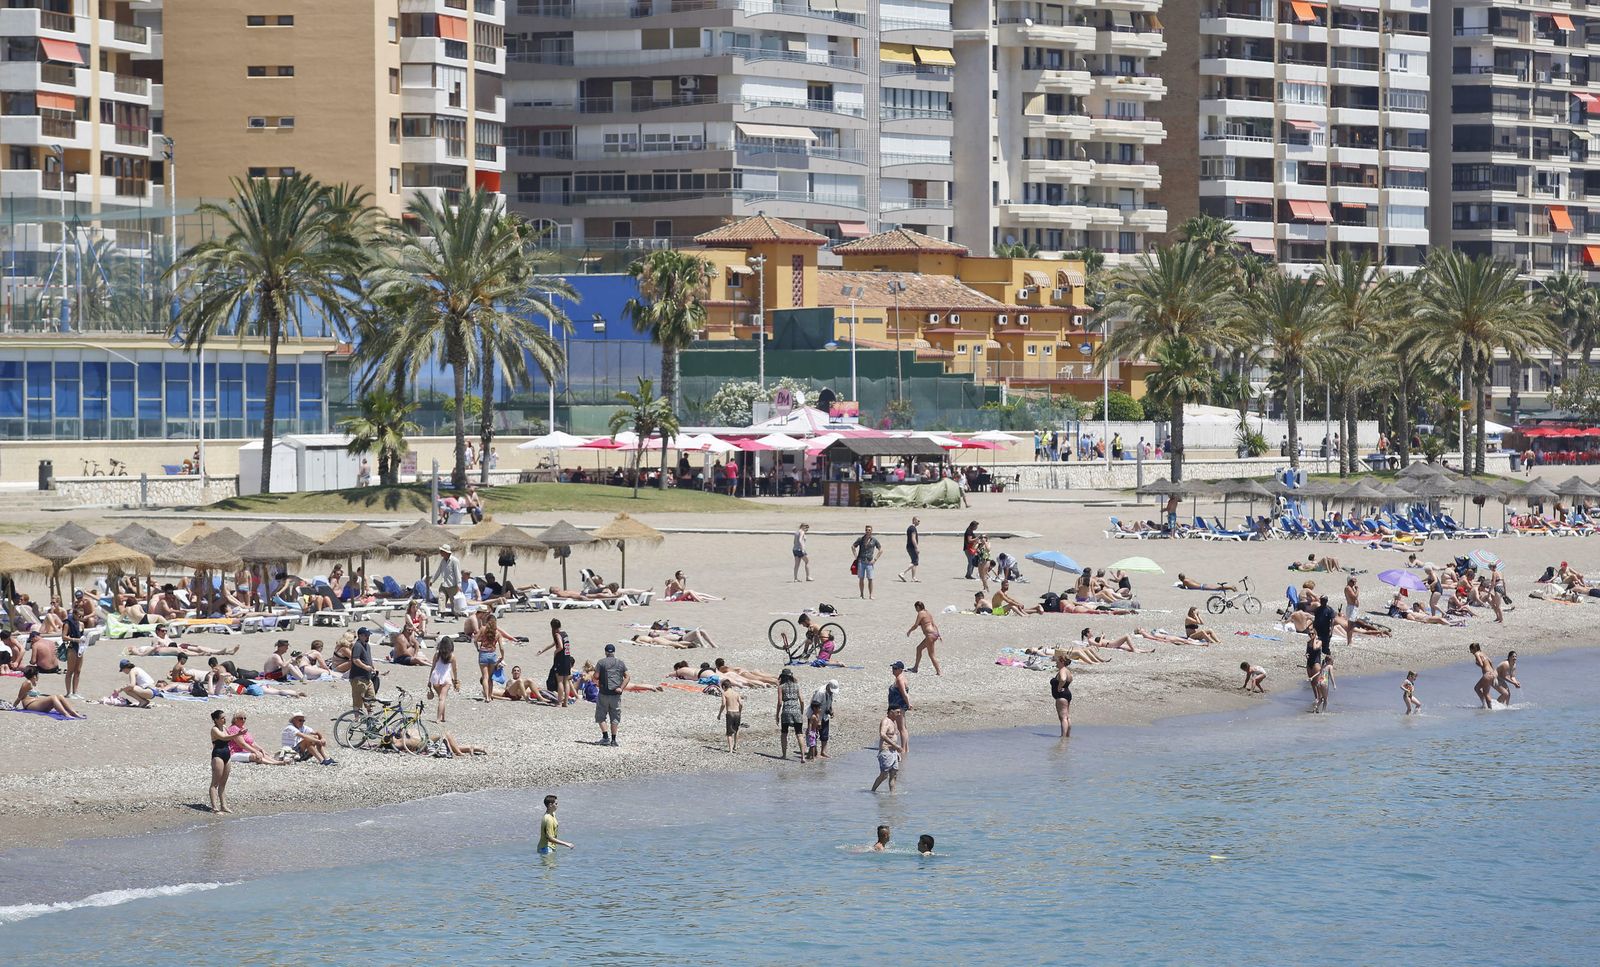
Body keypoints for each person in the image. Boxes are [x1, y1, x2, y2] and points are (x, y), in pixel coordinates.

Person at [13, 666, 85, 718]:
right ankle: (66, 714)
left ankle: (73, 712)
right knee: (53, 697)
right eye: (38, 675)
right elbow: (19, 697)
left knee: (59, 696)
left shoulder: (32, 682)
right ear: (34, 676)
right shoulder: (27, 683)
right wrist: (13, 707)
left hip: (36, 703)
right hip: (30, 705)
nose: (38, 676)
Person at [594, 644, 628, 746]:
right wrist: (621, 688)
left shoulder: (601, 662)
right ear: (614, 652)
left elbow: (596, 676)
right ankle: (613, 740)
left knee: (601, 716)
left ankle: (605, 738)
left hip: (604, 693)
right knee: (615, 717)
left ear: (605, 652)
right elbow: (627, 677)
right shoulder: (620, 663)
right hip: (616, 694)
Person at [537, 618, 577, 707]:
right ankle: (565, 703)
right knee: (566, 681)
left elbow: (560, 646)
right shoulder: (564, 633)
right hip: (567, 659)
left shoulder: (557, 634)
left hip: (561, 659)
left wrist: (555, 652)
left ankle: (559, 702)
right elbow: (554, 644)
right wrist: (543, 650)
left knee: (560, 681)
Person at [871, 707, 904, 793]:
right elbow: (882, 734)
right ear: (891, 712)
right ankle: (872, 791)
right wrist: (895, 745)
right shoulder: (885, 721)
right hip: (886, 751)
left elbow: (893, 736)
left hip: (893, 752)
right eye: (897, 712)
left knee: (894, 774)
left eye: (900, 712)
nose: (899, 714)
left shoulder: (894, 722)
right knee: (884, 775)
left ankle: (892, 796)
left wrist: (896, 750)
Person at [428, 635, 460, 723]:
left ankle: (443, 717)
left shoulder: (437, 655)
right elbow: (455, 669)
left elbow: (433, 667)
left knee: (441, 698)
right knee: (442, 698)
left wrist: (429, 680)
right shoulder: (452, 656)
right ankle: (438, 718)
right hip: (445, 678)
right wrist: (456, 680)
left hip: (435, 677)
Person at [475, 613, 506, 703]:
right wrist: (502, 657)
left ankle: (487, 697)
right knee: (490, 677)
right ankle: (490, 695)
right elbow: (501, 647)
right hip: (492, 654)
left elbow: (475, 640)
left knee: (485, 676)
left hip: (483, 654)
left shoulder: (483, 629)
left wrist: (477, 647)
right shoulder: (498, 633)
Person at [208, 709, 234, 813]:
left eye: (224, 717)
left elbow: (229, 738)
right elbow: (224, 737)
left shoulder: (224, 727)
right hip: (218, 755)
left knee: (223, 783)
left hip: (227, 754)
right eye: (222, 718)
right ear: (216, 720)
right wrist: (237, 735)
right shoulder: (214, 729)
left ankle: (224, 805)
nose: (224, 719)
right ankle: (215, 807)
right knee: (215, 783)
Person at [776, 668, 805, 761]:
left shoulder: (781, 687)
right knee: (799, 734)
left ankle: (784, 755)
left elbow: (780, 702)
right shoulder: (797, 686)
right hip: (796, 710)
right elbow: (802, 700)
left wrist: (777, 714)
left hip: (786, 712)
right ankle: (803, 757)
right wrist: (801, 711)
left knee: (784, 733)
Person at [905, 601, 942, 675]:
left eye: (915, 608)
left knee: (931, 654)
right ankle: (915, 668)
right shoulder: (927, 613)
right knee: (919, 648)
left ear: (918, 607)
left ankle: (939, 672)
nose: (916, 610)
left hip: (930, 635)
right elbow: (933, 624)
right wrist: (939, 635)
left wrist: (909, 631)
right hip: (934, 633)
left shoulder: (921, 613)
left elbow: (916, 625)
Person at [347, 627, 378, 710]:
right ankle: (357, 720)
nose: (368, 637)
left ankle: (370, 719)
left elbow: (369, 658)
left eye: (368, 635)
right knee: (358, 701)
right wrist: (366, 667)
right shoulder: (357, 645)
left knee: (371, 699)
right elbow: (355, 659)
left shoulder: (367, 646)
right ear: (360, 636)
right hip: (358, 678)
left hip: (368, 678)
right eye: (366, 635)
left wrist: (373, 668)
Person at [888, 660, 912, 755]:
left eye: (895, 668)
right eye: (892, 668)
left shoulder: (900, 679)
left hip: (898, 706)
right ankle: (905, 748)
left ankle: (903, 750)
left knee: (901, 728)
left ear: (900, 670)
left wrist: (909, 704)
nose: (893, 670)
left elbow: (904, 693)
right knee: (903, 728)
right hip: (899, 705)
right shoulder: (900, 678)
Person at [810, 678, 838, 757]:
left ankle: (823, 751)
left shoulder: (830, 692)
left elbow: (830, 702)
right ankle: (813, 752)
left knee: (825, 734)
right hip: (816, 715)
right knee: (814, 733)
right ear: (828, 686)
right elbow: (815, 706)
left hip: (825, 715)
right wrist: (818, 720)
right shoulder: (821, 692)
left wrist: (831, 710)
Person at [852, 524, 882, 600]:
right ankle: (861, 594)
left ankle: (871, 594)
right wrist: (856, 557)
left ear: (871, 531)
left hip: (869, 562)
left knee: (870, 579)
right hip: (861, 561)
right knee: (861, 578)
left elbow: (880, 550)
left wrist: (875, 559)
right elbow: (853, 547)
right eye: (866, 530)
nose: (867, 531)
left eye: (869, 530)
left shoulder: (874, 540)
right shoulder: (861, 539)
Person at [431, 545, 461, 614]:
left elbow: (457, 573)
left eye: (442, 551)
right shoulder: (443, 561)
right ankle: (442, 615)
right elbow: (438, 571)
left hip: (452, 585)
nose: (440, 552)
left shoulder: (454, 561)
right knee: (441, 598)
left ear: (446, 552)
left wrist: (459, 585)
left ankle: (455, 616)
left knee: (453, 602)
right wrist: (432, 580)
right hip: (443, 584)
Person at [1051, 654, 1073, 737]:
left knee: (1063, 717)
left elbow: (1063, 679)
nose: (1056, 662)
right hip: (1067, 693)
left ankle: (1063, 737)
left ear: (1062, 662)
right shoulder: (1068, 671)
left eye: (1057, 661)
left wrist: (1059, 687)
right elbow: (1070, 679)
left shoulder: (1062, 670)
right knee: (1067, 716)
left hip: (1062, 696)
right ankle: (1067, 736)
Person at [719, 678, 743, 753]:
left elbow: (723, 704)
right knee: (737, 729)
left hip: (730, 713)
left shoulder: (724, 693)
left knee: (729, 732)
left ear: (724, 687)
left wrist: (719, 714)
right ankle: (736, 745)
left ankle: (730, 750)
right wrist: (740, 711)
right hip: (737, 713)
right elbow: (741, 704)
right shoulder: (736, 693)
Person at [898, 517, 920, 583]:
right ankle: (903, 573)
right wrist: (916, 548)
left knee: (914, 561)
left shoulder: (910, 528)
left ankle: (913, 577)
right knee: (915, 561)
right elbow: (913, 538)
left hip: (909, 546)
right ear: (914, 521)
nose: (919, 522)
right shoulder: (913, 528)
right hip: (912, 547)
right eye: (918, 520)